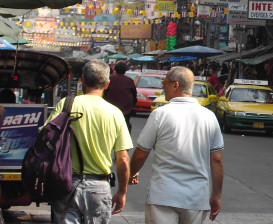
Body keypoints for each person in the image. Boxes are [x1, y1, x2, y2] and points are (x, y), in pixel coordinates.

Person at [129, 66, 224, 223]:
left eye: (164, 83)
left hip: (163, 196)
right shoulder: (209, 117)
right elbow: (217, 159)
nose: (162, 87)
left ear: (175, 85)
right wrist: (216, 195)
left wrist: (130, 174)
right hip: (196, 198)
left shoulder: (160, 114)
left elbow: (141, 154)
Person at [47, 59, 133, 223]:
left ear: (83, 80)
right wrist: (122, 191)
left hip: (66, 184)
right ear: (107, 84)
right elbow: (122, 158)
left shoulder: (67, 105)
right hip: (99, 188)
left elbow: (45, 136)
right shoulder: (115, 114)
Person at [103, 60, 137, 132]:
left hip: (110, 109)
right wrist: (132, 106)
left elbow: (104, 93)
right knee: (126, 126)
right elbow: (134, 95)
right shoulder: (129, 80)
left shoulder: (110, 79)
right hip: (126, 109)